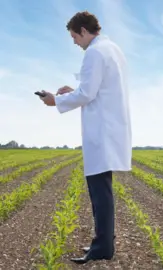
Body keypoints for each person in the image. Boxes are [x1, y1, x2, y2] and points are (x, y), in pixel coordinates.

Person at [38, 11, 132, 264]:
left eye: (74, 37)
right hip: (111, 127)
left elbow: (88, 94)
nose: (74, 43)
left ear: (82, 30)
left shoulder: (94, 52)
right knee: (103, 192)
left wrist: (55, 100)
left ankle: (102, 248)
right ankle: (103, 244)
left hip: (101, 131)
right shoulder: (113, 49)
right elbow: (95, 88)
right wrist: (74, 91)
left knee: (100, 194)